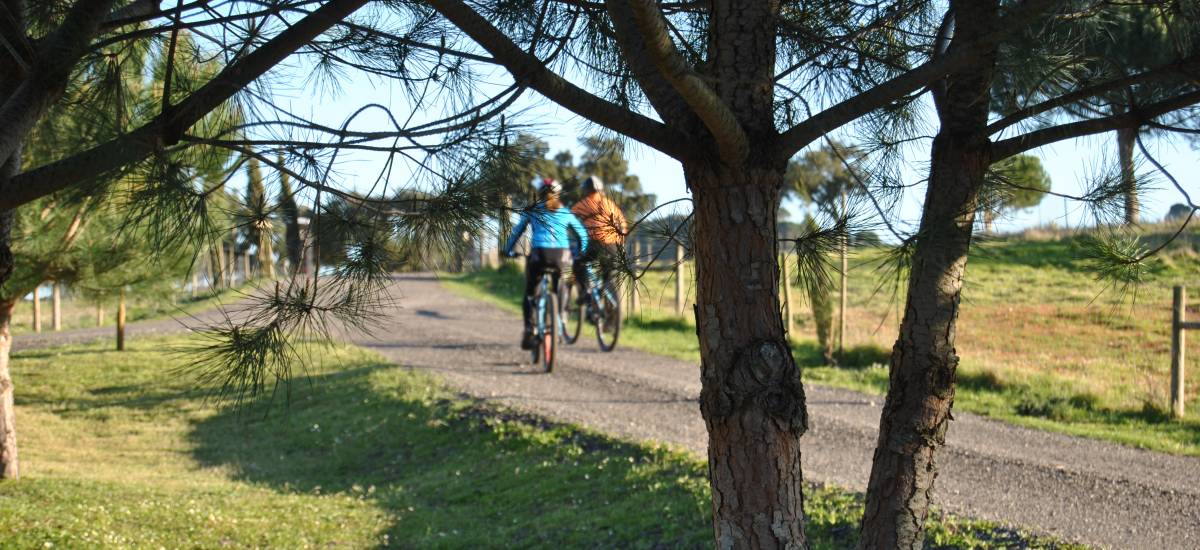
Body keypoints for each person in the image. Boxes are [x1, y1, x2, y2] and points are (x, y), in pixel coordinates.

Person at [504, 178, 589, 349]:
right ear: (558, 194)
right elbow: (583, 235)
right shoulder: (565, 212)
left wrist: (507, 250)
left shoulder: (532, 210)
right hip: (563, 257)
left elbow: (517, 232)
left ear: (539, 194)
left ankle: (530, 329)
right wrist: (581, 251)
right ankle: (562, 314)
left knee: (529, 293)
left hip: (539, 255)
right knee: (566, 282)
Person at [570, 175, 627, 302]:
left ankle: (586, 291)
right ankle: (604, 290)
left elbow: (568, 218)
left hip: (595, 244)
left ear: (586, 190)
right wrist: (621, 243)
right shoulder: (610, 203)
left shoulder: (585, 203)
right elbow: (622, 223)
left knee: (578, 263)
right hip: (613, 246)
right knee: (607, 274)